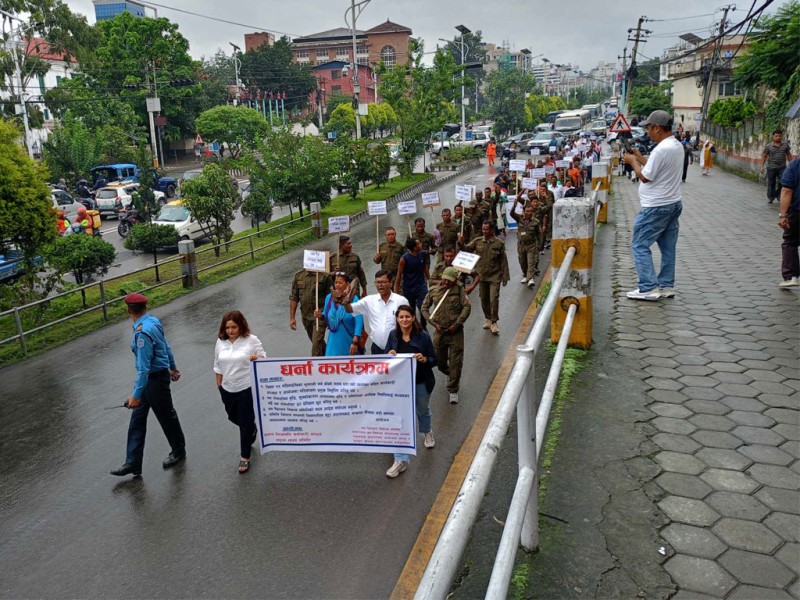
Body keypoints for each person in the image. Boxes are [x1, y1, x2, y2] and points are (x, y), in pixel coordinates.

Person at [111, 293, 186, 477]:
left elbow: (144, 369)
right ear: (145, 307)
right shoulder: (152, 321)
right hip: (154, 378)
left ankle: (178, 450)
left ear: (128, 310)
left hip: (154, 381)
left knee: (166, 416)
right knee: (137, 420)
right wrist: (173, 367)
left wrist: (135, 395)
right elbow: (165, 347)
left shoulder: (142, 333)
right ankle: (133, 463)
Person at [621, 110, 684, 301]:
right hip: (673, 203)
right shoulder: (675, 146)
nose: (647, 132)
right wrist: (639, 157)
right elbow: (654, 168)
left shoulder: (661, 149)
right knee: (667, 248)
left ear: (657, 128)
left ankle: (648, 287)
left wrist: (632, 162)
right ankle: (665, 285)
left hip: (656, 207)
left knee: (639, 244)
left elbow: (646, 177)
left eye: (649, 128)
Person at [384, 305, 438, 478]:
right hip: (400, 387)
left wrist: (424, 359)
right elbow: (386, 358)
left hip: (421, 382)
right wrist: (390, 354)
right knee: (399, 420)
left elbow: (434, 359)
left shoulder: (423, 337)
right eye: (401, 317)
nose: (404, 320)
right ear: (397, 319)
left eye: (408, 317)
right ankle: (401, 460)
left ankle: (427, 431)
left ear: (413, 318)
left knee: (422, 411)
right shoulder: (393, 336)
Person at [213, 310, 266, 474]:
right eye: (227, 327)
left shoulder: (251, 340)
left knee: (244, 422)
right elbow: (217, 365)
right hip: (228, 389)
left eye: (234, 327)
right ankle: (251, 429)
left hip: (246, 387)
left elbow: (264, 357)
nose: (230, 331)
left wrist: (256, 358)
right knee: (233, 417)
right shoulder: (220, 343)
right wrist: (220, 387)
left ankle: (245, 457)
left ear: (241, 326)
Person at [421, 267, 471, 404]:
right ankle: (451, 375)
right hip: (440, 332)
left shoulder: (460, 290)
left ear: (455, 280)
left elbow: (467, 307)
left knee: (456, 361)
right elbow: (424, 308)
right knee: (440, 362)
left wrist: (457, 323)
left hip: (455, 332)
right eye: (445, 279)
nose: (446, 282)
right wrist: (432, 323)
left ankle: (453, 389)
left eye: (450, 280)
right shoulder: (434, 290)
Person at [342, 270, 408, 354]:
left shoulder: (401, 301)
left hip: (397, 347)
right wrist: (346, 301)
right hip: (377, 348)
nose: (380, 285)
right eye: (378, 282)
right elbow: (350, 309)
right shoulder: (369, 301)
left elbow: (409, 323)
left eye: (383, 282)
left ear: (391, 283)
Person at [464, 221, 510, 334]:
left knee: (493, 299)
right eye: (483, 229)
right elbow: (466, 249)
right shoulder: (477, 241)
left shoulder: (499, 243)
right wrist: (460, 243)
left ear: (492, 230)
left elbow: (503, 261)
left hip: (495, 276)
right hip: (481, 276)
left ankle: (494, 322)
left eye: (486, 229)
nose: (484, 231)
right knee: (484, 299)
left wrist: (505, 276)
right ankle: (488, 318)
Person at [317, 272, 365, 355]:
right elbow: (326, 314)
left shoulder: (353, 299)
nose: (337, 285)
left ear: (347, 284)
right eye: (336, 282)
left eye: (340, 283)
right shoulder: (329, 297)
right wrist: (320, 315)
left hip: (348, 340)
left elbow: (359, 321)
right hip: (333, 340)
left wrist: (355, 340)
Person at [289, 268, 332, 356]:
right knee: (317, 342)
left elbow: (331, 298)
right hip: (306, 316)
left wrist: (328, 316)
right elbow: (294, 298)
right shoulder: (298, 276)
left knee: (316, 345)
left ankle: (315, 366)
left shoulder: (324, 277)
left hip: (319, 317)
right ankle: (330, 356)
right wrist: (292, 318)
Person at [394, 237, 430, 329]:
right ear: (414, 247)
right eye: (418, 244)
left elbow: (425, 270)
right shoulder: (404, 259)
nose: (420, 244)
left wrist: (431, 282)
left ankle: (423, 326)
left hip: (421, 286)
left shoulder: (422, 254)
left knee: (422, 306)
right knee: (411, 310)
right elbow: (398, 276)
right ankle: (414, 327)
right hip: (408, 288)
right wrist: (396, 293)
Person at [778, 157, 800, 288]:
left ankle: (791, 277)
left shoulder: (795, 165)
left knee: (790, 242)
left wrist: (783, 215)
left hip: (797, 212)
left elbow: (786, 191)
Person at [510, 201, 540, 289]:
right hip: (521, 245)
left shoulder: (535, 222)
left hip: (531, 245)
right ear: (524, 211)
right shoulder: (519, 218)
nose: (529, 213)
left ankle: (530, 279)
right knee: (522, 261)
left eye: (531, 211)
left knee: (531, 261)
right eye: (527, 211)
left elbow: (539, 234)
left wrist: (539, 245)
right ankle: (525, 275)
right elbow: (511, 213)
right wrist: (515, 204)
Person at [761, 130, 793, 205]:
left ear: (781, 136)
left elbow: (788, 154)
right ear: (773, 136)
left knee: (783, 182)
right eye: (776, 136)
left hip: (782, 168)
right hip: (771, 168)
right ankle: (771, 197)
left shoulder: (785, 145)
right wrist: (762, 166)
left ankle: (779, 195)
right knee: (771, 183)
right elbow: (764, 156)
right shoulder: (768, 146)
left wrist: (791, 164)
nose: (778, 137)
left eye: (780, 136)